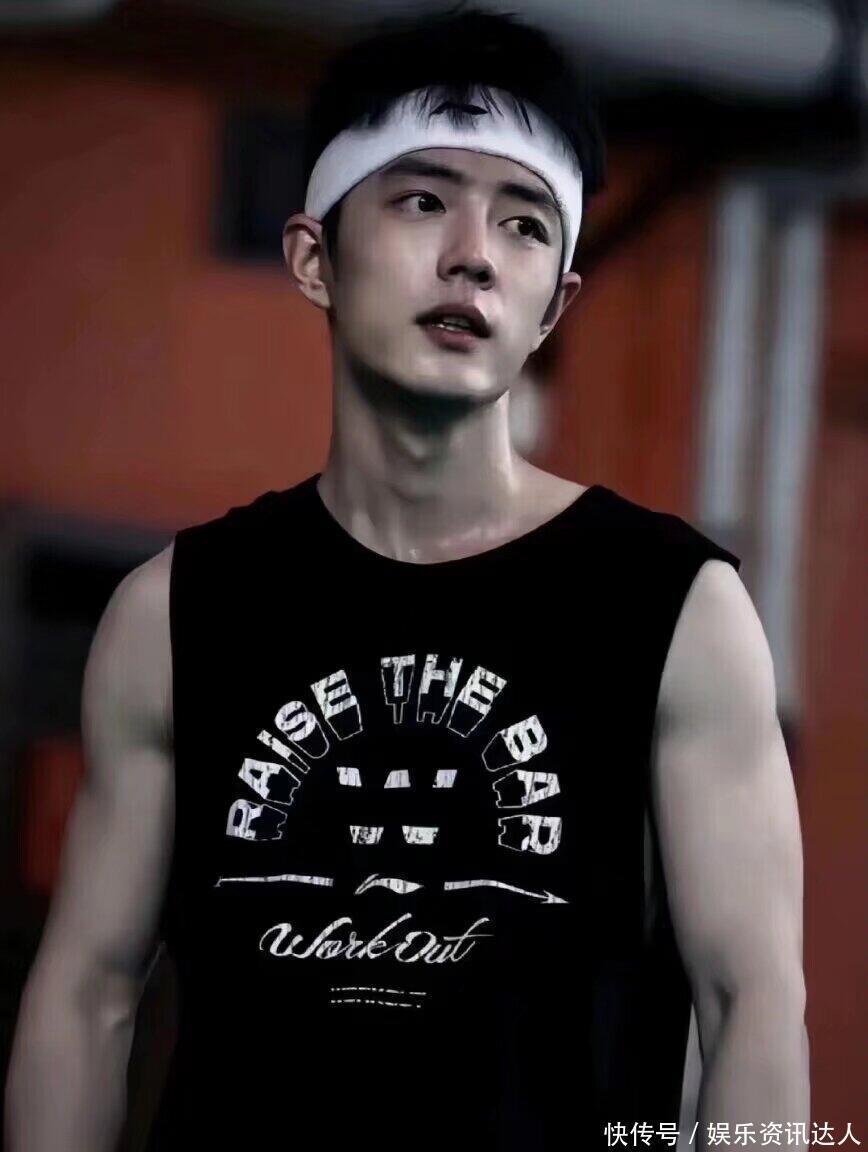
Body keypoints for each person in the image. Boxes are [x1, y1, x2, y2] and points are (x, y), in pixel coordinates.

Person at [5, 8, 809, 1150]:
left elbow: (752, 1007)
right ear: (313, 258)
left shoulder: (674, 609)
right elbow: (87, 995)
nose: (474, 254)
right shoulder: (175, 610)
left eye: (524, 223)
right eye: (424, 200)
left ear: (554, 305)